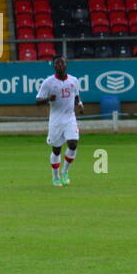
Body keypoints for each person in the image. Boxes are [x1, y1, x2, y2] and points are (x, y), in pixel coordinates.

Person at [36, 55, 83, 186]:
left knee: (73, 144)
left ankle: (65, 171)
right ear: (54, 66)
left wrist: (80, 105)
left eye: (62, 62)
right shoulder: (48, 82)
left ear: (66, 65)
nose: (60, 65)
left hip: (70, 118)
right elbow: (38, 100)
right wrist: (48, 99)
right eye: (57, 63)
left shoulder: (74, 80)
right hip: (56, 121)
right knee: (56, 149)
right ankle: (55, 176)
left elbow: (77, 96)